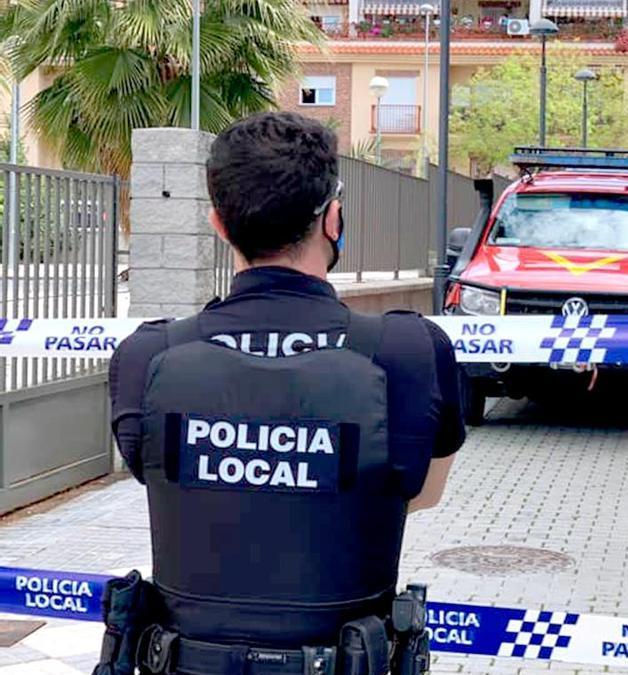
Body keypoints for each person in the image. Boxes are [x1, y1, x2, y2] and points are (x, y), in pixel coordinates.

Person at [104, 112, 464, 674]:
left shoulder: (147, 358)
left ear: (218, 224)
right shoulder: (408, 354)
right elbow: (420, 494)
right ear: (334, 219)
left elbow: (167, 482)